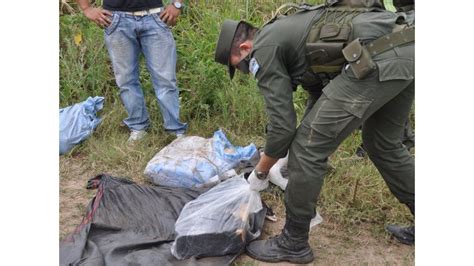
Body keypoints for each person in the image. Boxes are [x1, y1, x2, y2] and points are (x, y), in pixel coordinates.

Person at [215, 0, 414, 263]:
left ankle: (293, 242)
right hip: (408, 45)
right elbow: (319, 94)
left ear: (244, 47)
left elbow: (282, 127)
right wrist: (297, 141)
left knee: (307, 150)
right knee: (382, 143)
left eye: (239, 65)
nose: (244, 71)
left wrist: (261, 171)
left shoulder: (262, 49)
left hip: (379, 56)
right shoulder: (287, 31)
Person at [76, 0, 187, 141]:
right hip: (116, 20)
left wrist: (177, 4)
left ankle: (175, 131)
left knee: (165, 79)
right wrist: (86, 9)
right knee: (126, 79)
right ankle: (138, 128)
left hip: (155, 18)